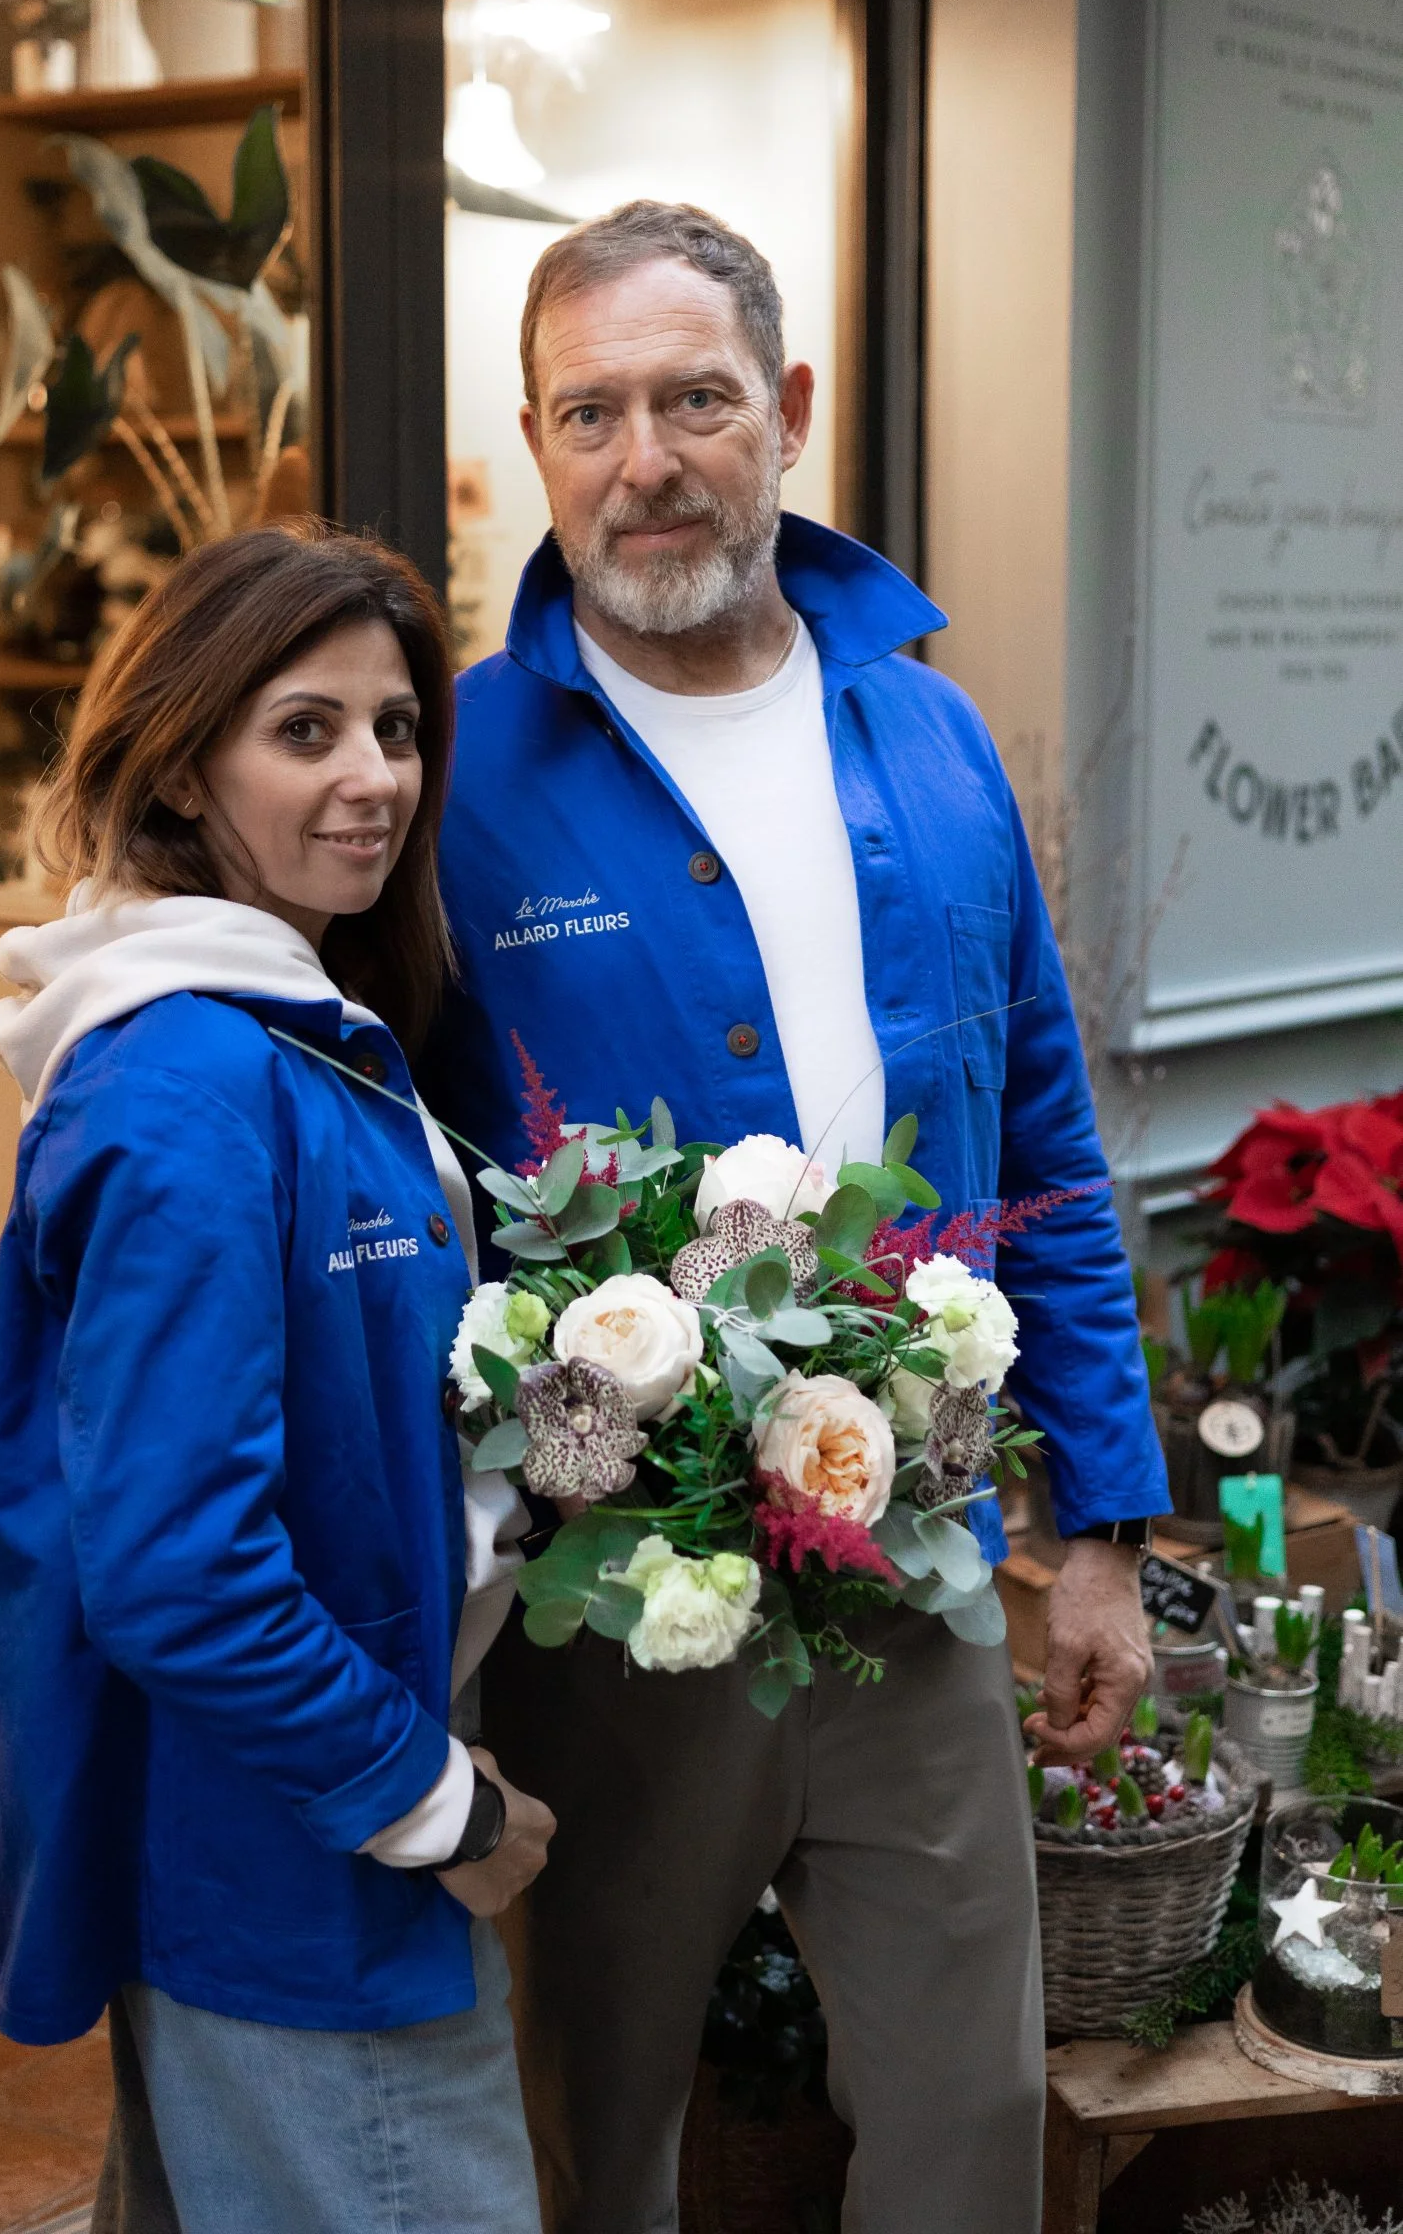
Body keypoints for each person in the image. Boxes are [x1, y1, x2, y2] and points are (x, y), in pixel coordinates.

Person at [422, 202, 1172, 2234]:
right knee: (597, 2139)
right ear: (530, 437)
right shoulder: (450, 777)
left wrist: (1101, 1528)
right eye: (589, 412)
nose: (643, 460)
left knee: (966, 2110)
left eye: (695, 400)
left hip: (913, 1567)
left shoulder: (928, 734)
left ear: (792, 409)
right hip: (611, 1598)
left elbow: (1044, 1137)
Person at [0, 525, 550, 2234]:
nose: (375, 779)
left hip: (291, 1832)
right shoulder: (190, 1089)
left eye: (397, 728)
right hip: (298, 1869)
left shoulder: (284, 1027)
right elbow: (177, 1569)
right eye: (304, 730)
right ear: (177, 765)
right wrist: (441, 1807)